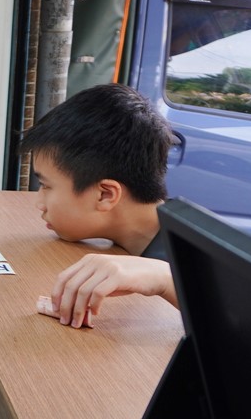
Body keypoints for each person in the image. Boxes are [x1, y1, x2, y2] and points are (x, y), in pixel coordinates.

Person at [19, 83, 178, 329]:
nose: (39, 203)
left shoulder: (201, 256)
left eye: (46, 186)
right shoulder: (142, 233)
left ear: (105, 195)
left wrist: (165, 279)